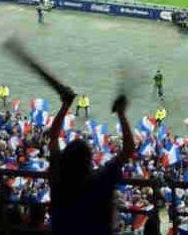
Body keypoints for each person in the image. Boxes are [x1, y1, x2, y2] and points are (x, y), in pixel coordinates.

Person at [48, 89, 134, 235]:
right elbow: (128, 149)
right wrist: (121, 112)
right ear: (89, 161)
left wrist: (65, 106)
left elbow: (53, 138)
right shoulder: (100, 180)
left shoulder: (58, 179)